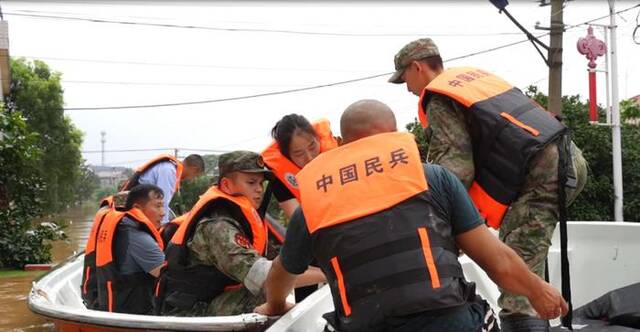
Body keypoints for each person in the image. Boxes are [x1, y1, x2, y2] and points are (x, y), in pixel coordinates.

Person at [255, 100, 568, 332]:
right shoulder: (435, 178)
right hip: (450, 324)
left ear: (342, 144)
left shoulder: (313, 203)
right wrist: (538, 291)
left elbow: (281, 275)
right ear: (393, 136)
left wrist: (275, 305)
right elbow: (497, 261)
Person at [388, 38, 588, 330]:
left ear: (417, 67)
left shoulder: (439, 97)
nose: (407, 88)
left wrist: (431, 220)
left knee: (519, 291)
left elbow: (455, 170)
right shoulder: (471, 79)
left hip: (541, 173)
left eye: (404, 78)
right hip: (569, 159)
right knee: (523, 258)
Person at [156, 151, 325, 317]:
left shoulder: (241, 219)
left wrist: (323, 268)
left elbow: (282, 262)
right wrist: (327, 275)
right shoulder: (217, 226)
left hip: (212, 300)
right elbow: (267, 277)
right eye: (251, 183)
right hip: (189, 312)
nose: (259, 189)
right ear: (227, 185)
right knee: (270, 293)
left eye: (261, 183)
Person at [86, 184, 166, 314]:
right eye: (158, 206)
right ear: (137, 208)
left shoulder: (121, 227)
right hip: (135, 316)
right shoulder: (139, 238)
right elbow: (169, 279)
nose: (163, 213)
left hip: (109, 307)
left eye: (163, 206)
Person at [261, 114, 339, 219]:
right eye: (299, 154)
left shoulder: (340, 148)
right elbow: (298, 220)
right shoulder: (279, 179)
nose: (309, 157)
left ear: (317, 138)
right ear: (287, 156)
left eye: (312, 147)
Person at [120, 154, 206, 224]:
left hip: (140, 205)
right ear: (193, 169)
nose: (192, 179)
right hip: (135, 209)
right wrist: (163, 227)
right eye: (195, 176)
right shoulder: (169, 171)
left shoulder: (169, 168)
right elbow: (162, 202)